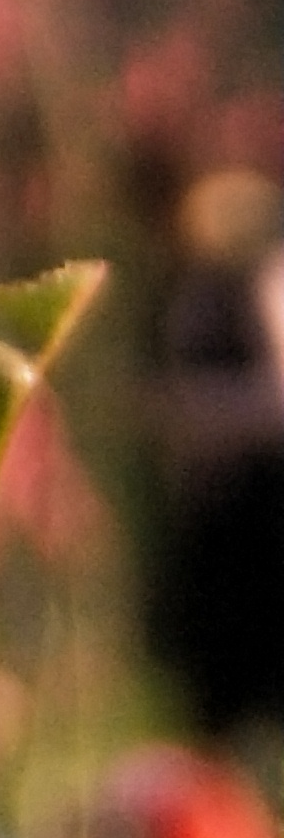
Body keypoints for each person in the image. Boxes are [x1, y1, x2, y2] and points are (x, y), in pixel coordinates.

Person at [144, 168, 284, 752]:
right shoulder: (186, 289)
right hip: (211, 531)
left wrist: (193, 413)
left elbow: (276, 401)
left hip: (259, 529)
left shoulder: (257, 285)